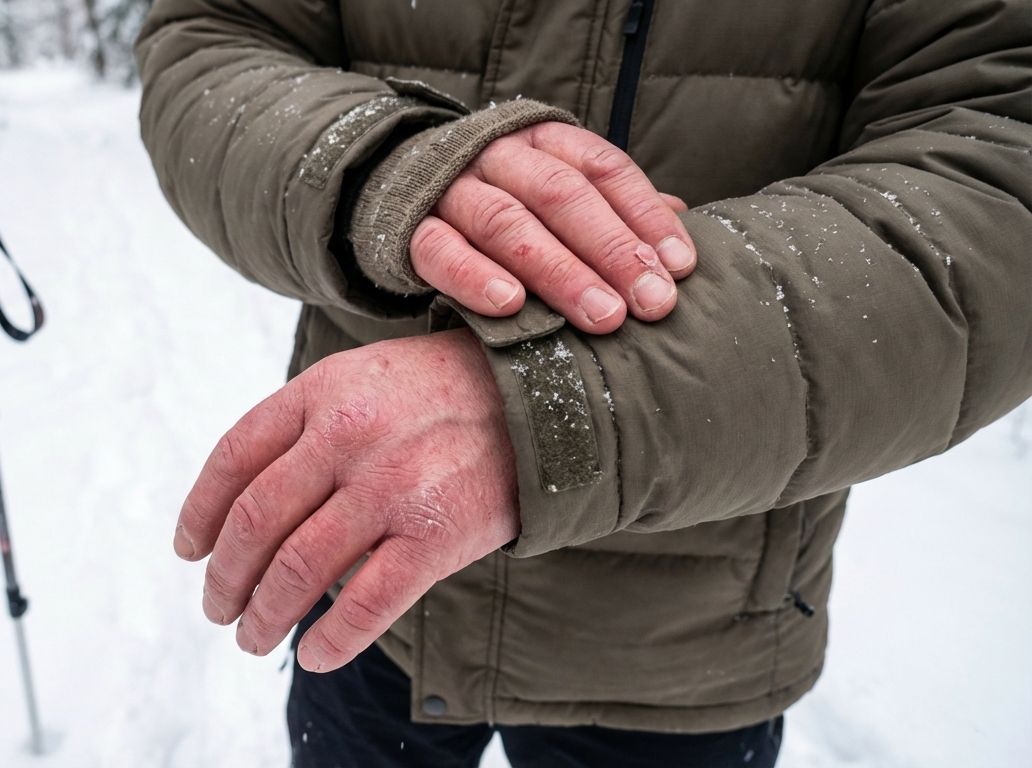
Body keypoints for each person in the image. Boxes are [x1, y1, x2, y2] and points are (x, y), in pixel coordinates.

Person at [136, 1, 1032, 765]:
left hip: (682, 641)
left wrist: (552, 398)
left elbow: (999, 166)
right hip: (369, 576)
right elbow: (209, 40)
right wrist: (383, 165)